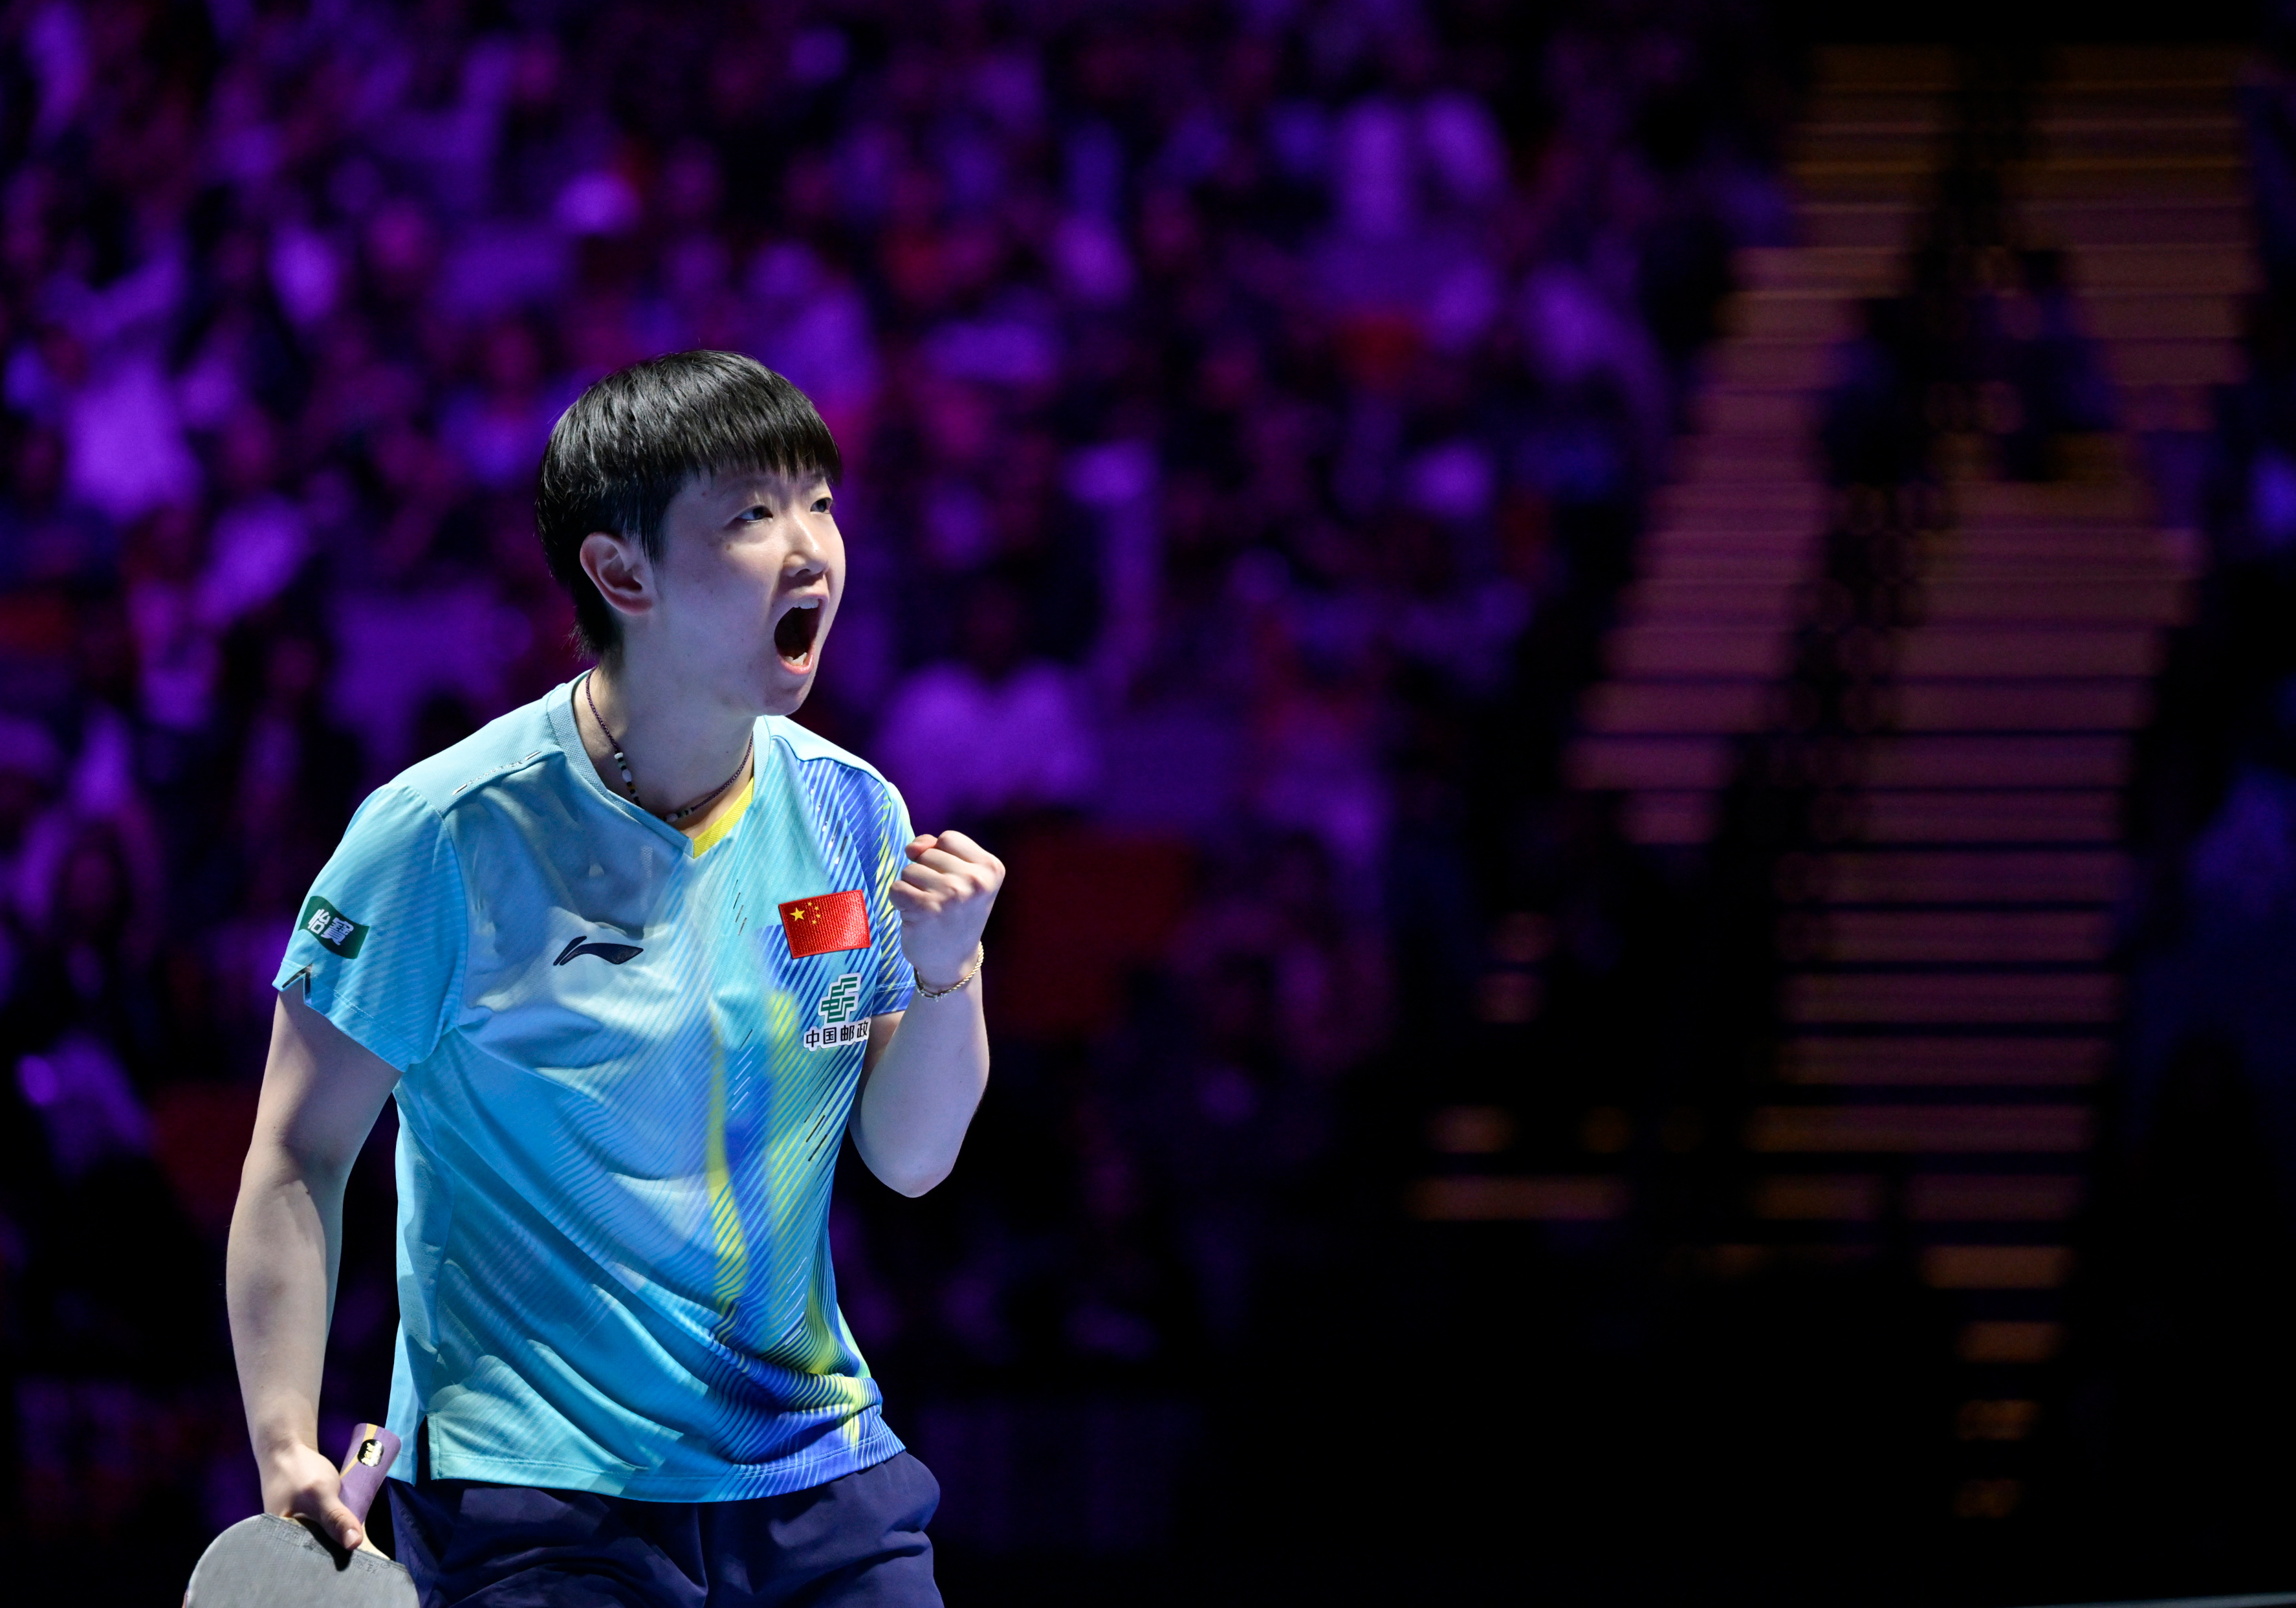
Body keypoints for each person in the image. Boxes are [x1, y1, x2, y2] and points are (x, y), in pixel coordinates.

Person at [224, 353, 1002, 1605]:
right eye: (751, 514)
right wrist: (283, 1441)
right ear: (622, 573)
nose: (810, 547)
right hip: (534, 1497)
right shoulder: (444, 834)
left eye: (819, 501)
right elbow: (297, 1153)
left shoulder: (850, 814)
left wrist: (948, 972)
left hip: (808, 1468)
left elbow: (911, 1159)